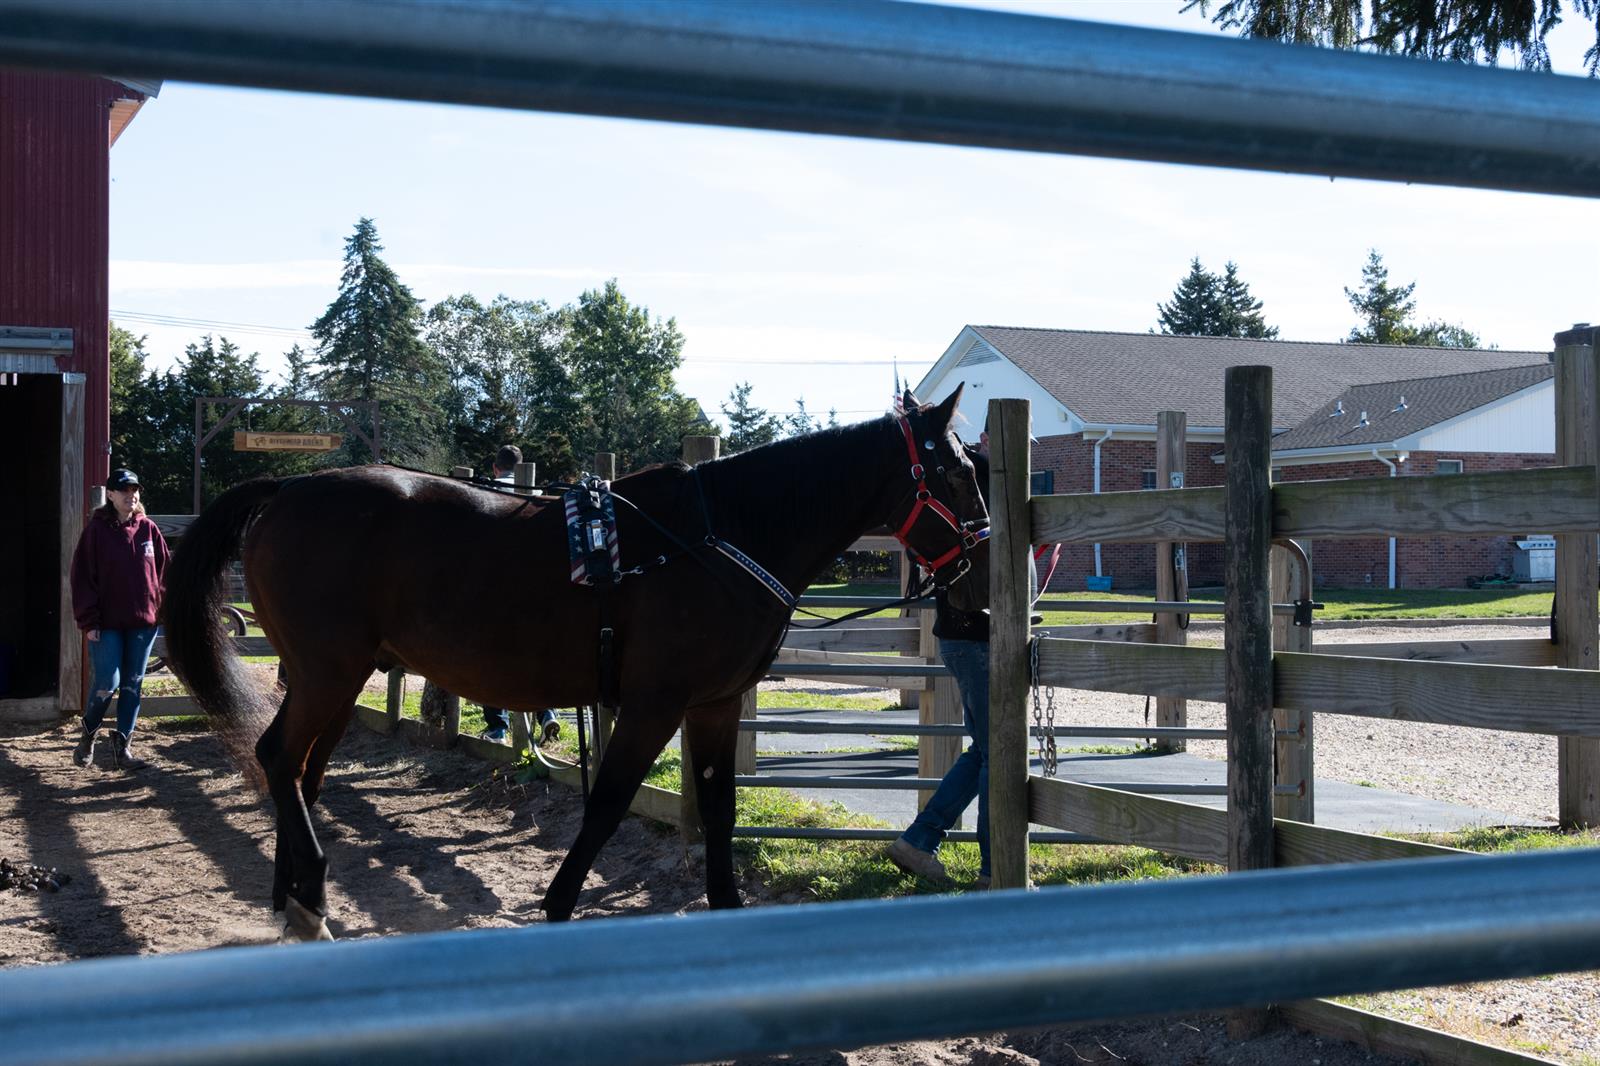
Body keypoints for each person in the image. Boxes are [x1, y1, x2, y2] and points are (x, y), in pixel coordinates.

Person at [886, 430, 1030, 890]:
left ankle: (920, 841)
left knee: (986, 749)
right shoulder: (984, 476)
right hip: (979, 635)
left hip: (964, 634)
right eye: (1018, 441)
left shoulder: (961, 481)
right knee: (997, 753)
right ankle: (995, 869)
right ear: (987, 437)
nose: (1024, 451)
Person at [69, 468, 169, 770]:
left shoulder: (148, 529)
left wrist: (162, 610)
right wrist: (89, 621)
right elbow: (82, 578)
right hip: (106, 623)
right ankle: (88, 733)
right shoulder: (96, 532)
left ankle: (123, 748)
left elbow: (165, 573)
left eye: (134, 490)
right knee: (107, 681)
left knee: (133, 684)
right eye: (124, 490)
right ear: (110, 495)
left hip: (143, 623)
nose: (131, 495)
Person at [477, 444, 562, 746]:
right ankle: (546, 712)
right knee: (532, 653)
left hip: (495, 582)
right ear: (523, 465)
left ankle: (497, 727)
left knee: (490, 656)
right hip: (535, 582)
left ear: (495, 467)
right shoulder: (536, 492)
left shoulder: (486, 489)